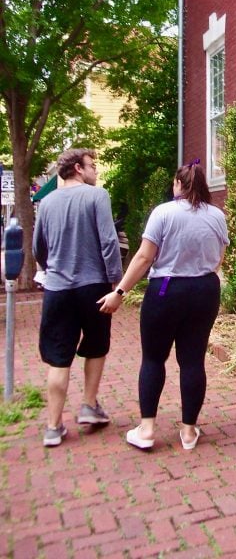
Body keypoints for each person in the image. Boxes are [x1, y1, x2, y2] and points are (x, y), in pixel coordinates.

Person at [98, 160, 228, 451]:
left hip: (166, 291)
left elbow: (144, 257)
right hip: (205, 289)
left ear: (178, 185)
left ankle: (146, 430)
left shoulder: (163, 213)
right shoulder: (217, 215)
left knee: (154, 359)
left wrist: (119, 292)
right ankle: (189, 431)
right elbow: (219, 256)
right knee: (193, 360)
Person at [33, 148, 122, 447]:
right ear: (77, 168)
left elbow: (38, 247)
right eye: (92, 166)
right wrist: (116, 282)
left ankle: (52, 426)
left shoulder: (46, 203)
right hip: (93, 286)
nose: (95, 171)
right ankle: (88, 404)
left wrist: (51, 269)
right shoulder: (98, 197)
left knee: (59, 358)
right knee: (96, 346)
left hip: (57, 289)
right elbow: (109, 241)